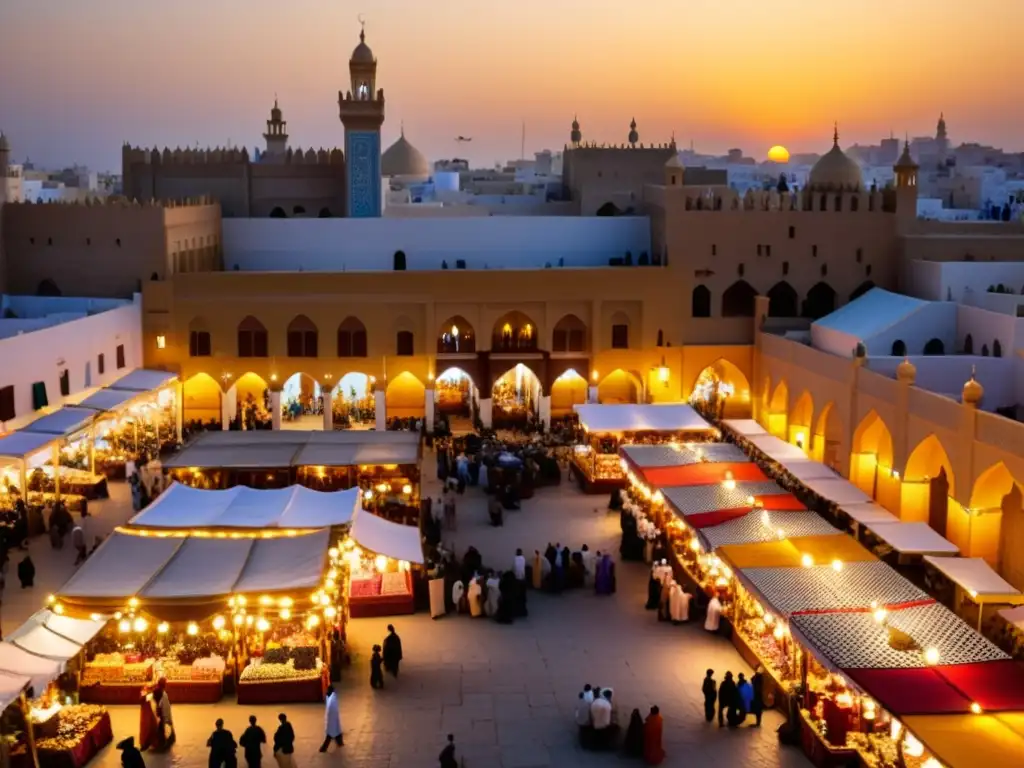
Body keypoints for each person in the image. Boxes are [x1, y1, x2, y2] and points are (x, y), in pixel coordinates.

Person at [320, 684, 343, 751]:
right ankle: (339, 743)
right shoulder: (332, 698)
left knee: (331, 734)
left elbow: (331, 710)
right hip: (332, 720)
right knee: (334, 733)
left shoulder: (331, 698)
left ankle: (324, 748)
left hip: (331, 720)